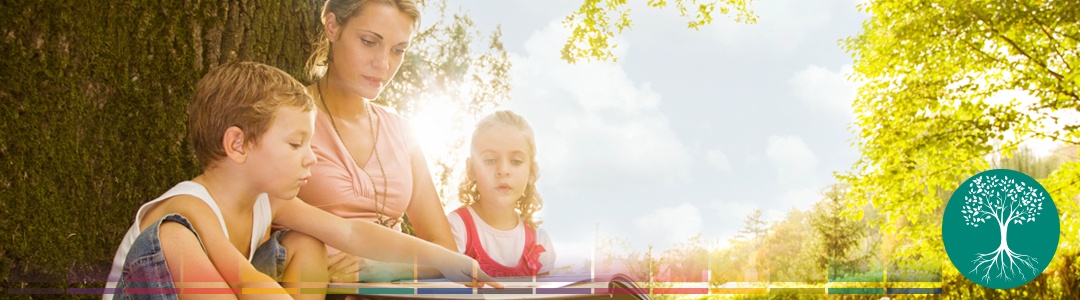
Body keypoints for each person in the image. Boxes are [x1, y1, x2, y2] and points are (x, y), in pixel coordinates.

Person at [103, 62, 499, 300]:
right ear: (238, 144)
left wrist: (448, 259)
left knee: (306, 241)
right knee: (173, 237)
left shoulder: (267, 201)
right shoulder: (185, 208)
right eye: (296, 143)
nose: (311, 156)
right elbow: (246, 281)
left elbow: (351, 233)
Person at [297, 0, 456, 282]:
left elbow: (446, 252)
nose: (383, 64)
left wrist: (384, 269)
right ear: (332, 27)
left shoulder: (403, 132)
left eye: (398, 51)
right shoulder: (286, 113)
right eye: (369, 42)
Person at [449, 110, 556, 277]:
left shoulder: (540, 240)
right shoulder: (456, 228)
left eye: (516, 161)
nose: (503, 171)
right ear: (471, 169)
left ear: (531, 171)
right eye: (490, 160)